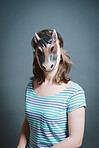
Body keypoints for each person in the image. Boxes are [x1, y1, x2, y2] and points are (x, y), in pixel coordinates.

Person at [17, 29, 87, 148]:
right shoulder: (30, 87)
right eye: (40, 52)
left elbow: (76, 140)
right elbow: (30, 121)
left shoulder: (74, 92)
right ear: (36, 55)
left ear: (60, 54)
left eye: (52, 50)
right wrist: (20, 145)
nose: (47, 59)